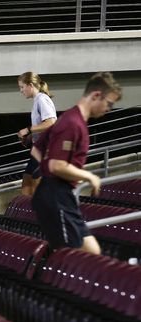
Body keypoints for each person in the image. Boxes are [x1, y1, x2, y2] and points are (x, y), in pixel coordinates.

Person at [31, 72, 122, 255]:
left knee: (91, 252)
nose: (108, 109)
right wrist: (90, 176)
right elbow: (57, 165)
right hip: (57, 195)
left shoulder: (69, 118)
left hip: (56, 194)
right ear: (96, 95)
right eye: (109, 103)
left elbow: (36, 151)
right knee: (76, 257)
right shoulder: (73, 123)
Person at [17, 72, 57, 196]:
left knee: (36, 184)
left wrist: (28, 130)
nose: (21, 91)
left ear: (30, 85)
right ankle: (26, 212)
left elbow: (51, 123)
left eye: (22, 87)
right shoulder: (37, 100)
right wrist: (30, 137)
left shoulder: (42, 99)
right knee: (27, 181)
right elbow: (42, 127)